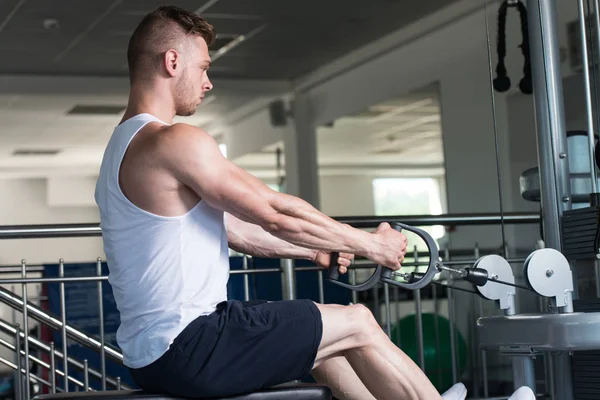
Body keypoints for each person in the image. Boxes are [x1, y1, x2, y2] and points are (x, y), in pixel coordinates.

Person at [94, 5, 535, 400]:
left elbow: (239, 232)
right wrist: (370, 244)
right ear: (172, 62)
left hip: (154, 357)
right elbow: (274, 212)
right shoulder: (173, 142)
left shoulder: (121, 148)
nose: (208, 82)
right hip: (193, 345)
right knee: (358, 320)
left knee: (324, 349)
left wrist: (311, 248)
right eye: (204, 67)